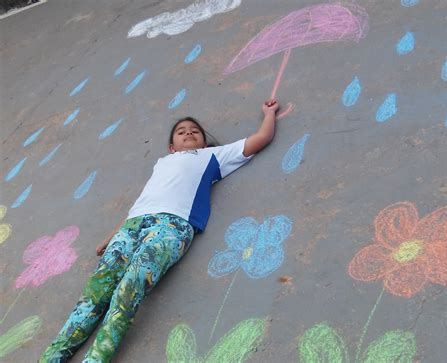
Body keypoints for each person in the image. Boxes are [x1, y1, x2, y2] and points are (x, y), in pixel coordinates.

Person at [39, 99, 280, 362]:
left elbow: (262, 137)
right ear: (171, 146)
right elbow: (142, 202)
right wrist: (111, 236)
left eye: (194, 131)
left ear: (204, 142)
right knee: (94, 293)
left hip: (171, 226)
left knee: (128, 289)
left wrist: (269, 114)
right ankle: (53, 357)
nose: (188, 132)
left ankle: (95, 359)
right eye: (181, 131)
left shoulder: (213, 156)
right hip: (133, 226)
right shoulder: (162, 163)